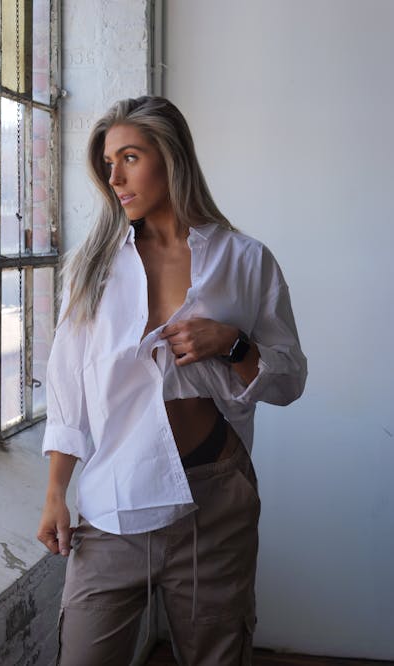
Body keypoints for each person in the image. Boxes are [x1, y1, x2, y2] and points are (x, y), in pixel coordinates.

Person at [37, 96, 307, 665]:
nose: (113, 177)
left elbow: (289, 379)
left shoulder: (245, 260)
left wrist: (232, 345)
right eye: (108, 162)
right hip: (114, 500)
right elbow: (67, 388)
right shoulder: (93, 267)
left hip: (213, 500)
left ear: (172, 157)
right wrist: (57, 492)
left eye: (129, 157)